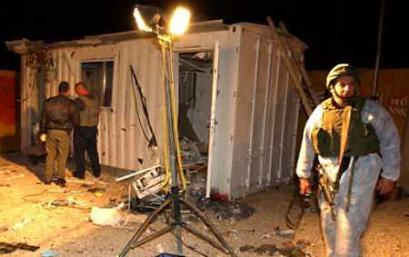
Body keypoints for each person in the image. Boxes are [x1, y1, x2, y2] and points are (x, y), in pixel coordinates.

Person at [296, 63, 400, 257]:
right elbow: (308, 143)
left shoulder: (370, 110)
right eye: (342, 84)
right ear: (332, 87)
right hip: (329, 177)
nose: (347, 89)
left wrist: (389, 176)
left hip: (361, 172)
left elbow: (390, 140)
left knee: (350, 227)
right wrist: (303, 175)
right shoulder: (321, 112)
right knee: (329, 224)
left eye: (351, 84)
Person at [40, 81, 79, 187]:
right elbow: (76, 120)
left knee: (50, 155)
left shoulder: (48, 102)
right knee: (62, 156)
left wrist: (42, 132)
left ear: (59, 90)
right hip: (64, 132)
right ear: (68, 90)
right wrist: (72, 128)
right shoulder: (71, 103)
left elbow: (43, 118)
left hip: (51, 131)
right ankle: (60, 179)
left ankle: (48, 179)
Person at [73, 81, 101, 179]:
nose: (76, 92)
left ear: (81, 89)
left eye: (77, 90)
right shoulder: (95, 98)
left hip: (81, 128)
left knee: (79, 152)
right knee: (93, 151)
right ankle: (97, 172)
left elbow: (74, 114)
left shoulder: (79, 101)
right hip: (93, 128)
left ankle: (80, 173)